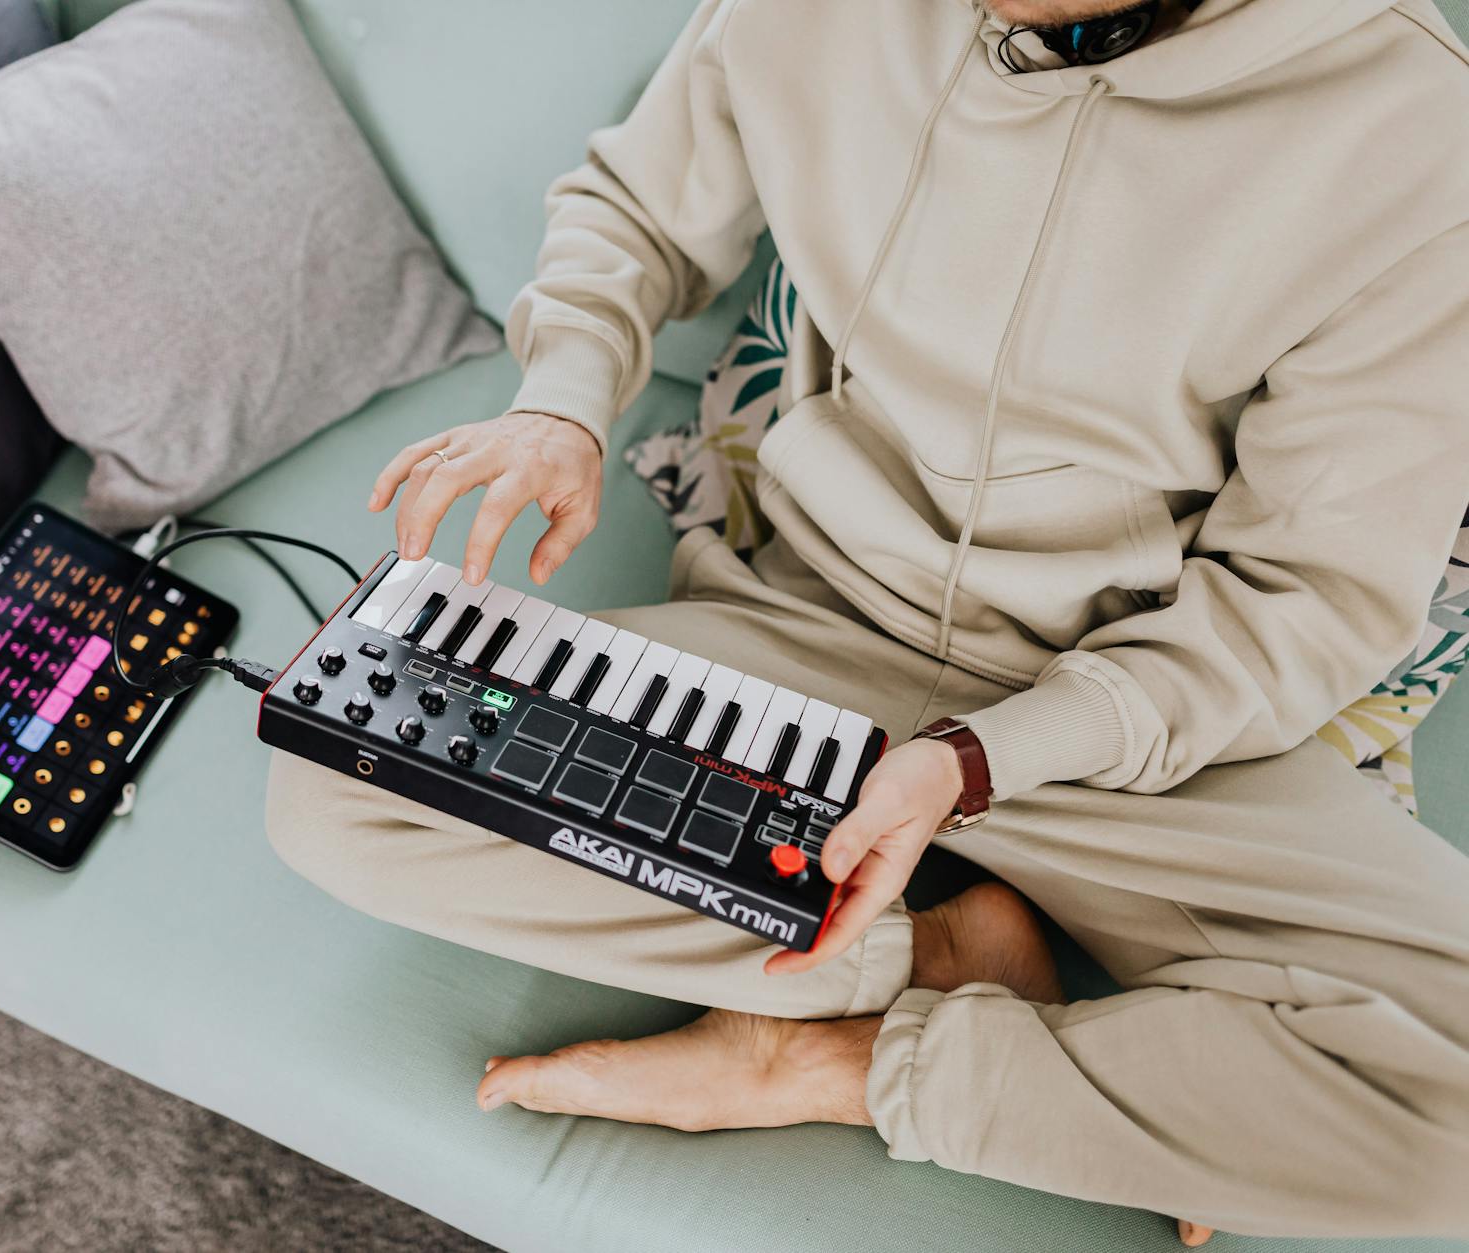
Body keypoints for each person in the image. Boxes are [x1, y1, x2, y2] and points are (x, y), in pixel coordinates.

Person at [267, 0, 1469, 1241]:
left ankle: (833, 1063)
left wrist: (981, 760)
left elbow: (1300, 603)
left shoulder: (1413, 128)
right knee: (337, 779)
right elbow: (638, 199)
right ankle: (939, 950)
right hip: (808, 628)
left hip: (1124, 718)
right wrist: (563, 397)